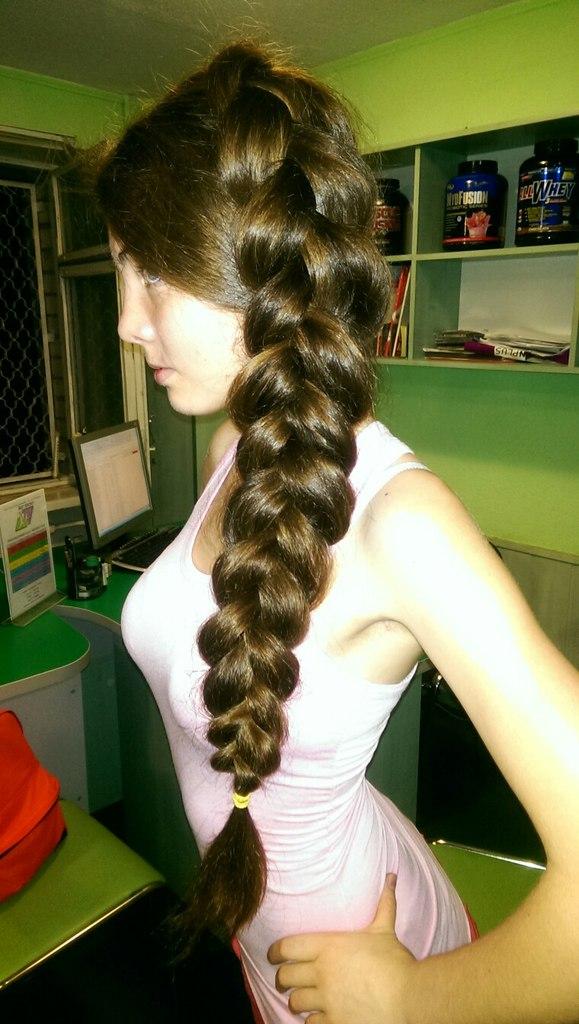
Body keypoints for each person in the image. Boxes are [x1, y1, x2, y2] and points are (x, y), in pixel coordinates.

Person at [94, 40, 579, 1024]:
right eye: (120, 273)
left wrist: (408, 995)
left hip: (368, 979)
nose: (125, 323)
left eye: (151, 277)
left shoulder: (402, 522)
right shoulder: (238, 444)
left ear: (260, 277)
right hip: (276, 942)